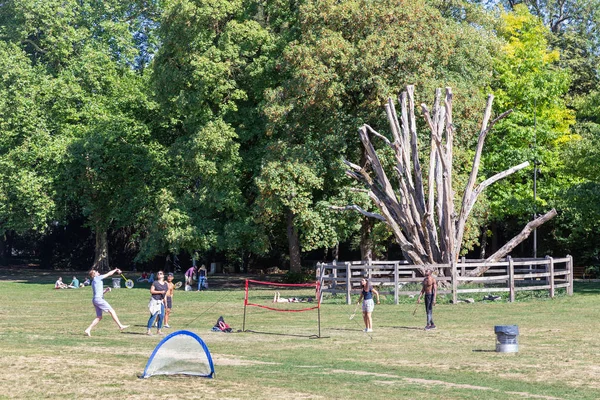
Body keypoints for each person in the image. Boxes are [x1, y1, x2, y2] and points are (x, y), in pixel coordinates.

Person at [84, 268, 129, 336]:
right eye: (96, 272)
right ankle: (120, 326)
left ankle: (88, 329)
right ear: (94, 275)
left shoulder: (94, 281)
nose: (97, 272)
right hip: (99, 300)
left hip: (95, 299)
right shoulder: (97, 278)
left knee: (99, 317)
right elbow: (109, 274)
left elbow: (99, 293)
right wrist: (115, 270)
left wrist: (106, 290)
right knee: (112, 311)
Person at [147, 270, 168, 335]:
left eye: (160, 273)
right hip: (155, 300)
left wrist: (165, 303)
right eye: (158, 273)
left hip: (161, 301)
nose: (159, 274)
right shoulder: (155, 283)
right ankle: (148, 330)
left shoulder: (165, 284)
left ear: (163, 275)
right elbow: (151, 291)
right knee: (153, 315)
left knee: (161, 316)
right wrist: (160, 292)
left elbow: (165, 294)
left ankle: (159, 330)